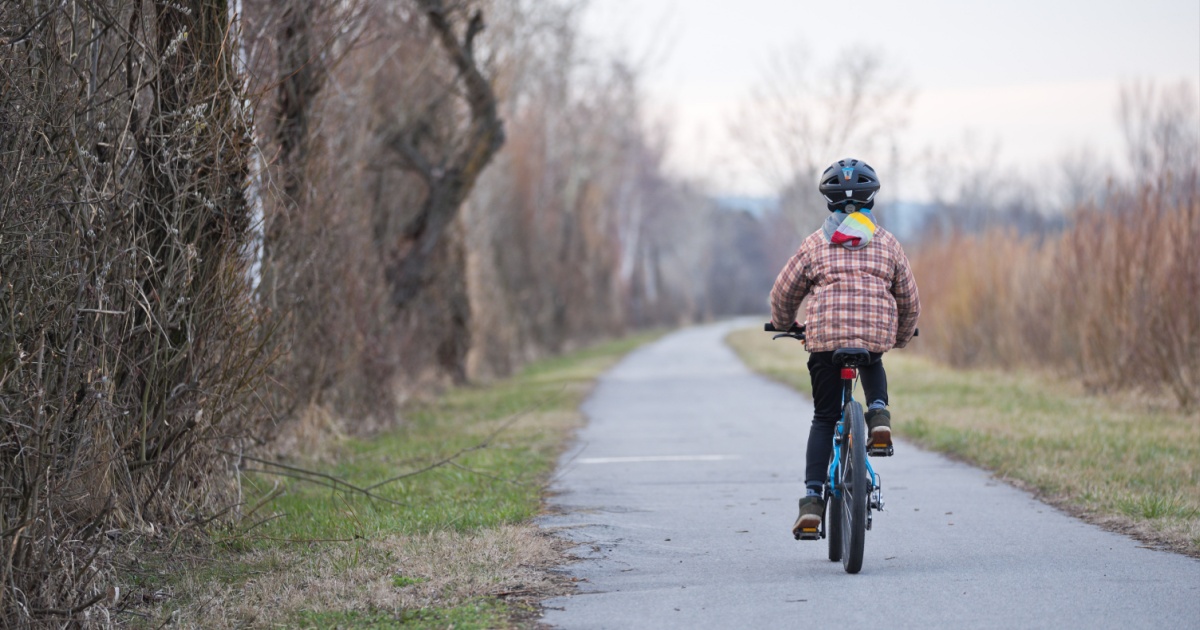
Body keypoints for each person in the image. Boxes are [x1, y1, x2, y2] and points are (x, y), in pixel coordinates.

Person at [769, 158, 920, 539]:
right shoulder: (887, 244)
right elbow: (910, 300)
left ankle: (811, 504)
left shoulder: (813, 246)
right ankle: (879, 416)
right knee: (871, 355)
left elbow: (783, 294)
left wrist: (786, 323)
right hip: (870, 339)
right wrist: (900, 335)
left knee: (824, 418)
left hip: (824, 342)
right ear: (872, 201)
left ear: (828, 203)